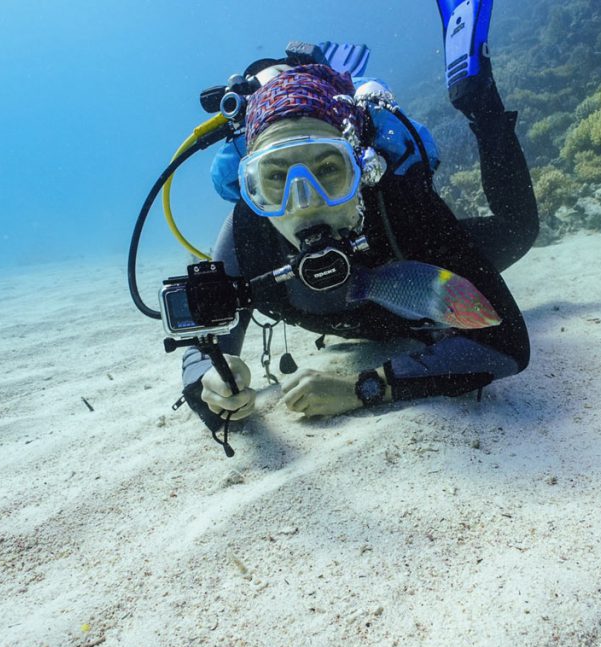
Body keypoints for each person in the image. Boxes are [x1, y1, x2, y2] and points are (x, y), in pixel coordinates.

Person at [181, 0, 539, 431]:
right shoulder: (248, 233)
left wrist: (364, 386)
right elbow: (202, 350)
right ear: (252, 188)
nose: (305, 201)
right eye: (275, 177)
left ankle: (478, 98)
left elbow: (506, 343)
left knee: (519, 230)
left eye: (328, 169)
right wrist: (212, 383)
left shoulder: (401, 204)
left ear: (362, 168)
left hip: (418, 266)